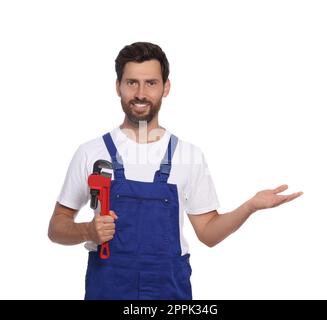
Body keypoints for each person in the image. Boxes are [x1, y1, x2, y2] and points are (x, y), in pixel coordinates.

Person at [48, 42, 303, 300]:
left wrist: (250, 206)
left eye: (151, 83)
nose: (140, 93)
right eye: (131, 82)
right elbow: (56, 226)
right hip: (107, 288)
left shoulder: (188, 155)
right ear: (118, 87)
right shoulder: (91, 152)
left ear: (166, 87)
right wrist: (87, 232)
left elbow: (208, 233)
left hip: (168, 292)